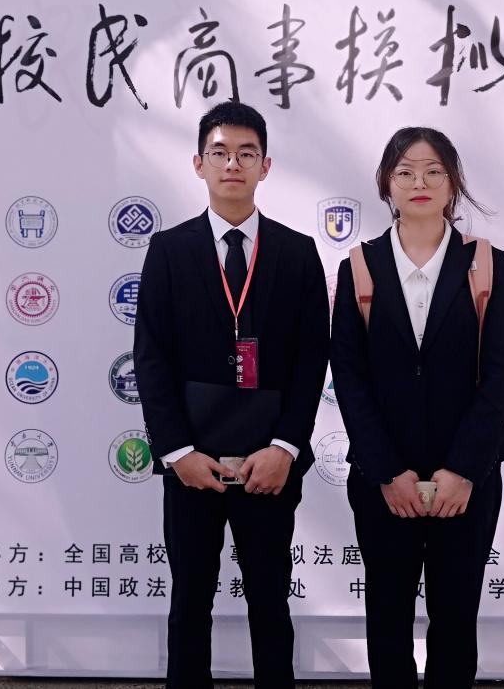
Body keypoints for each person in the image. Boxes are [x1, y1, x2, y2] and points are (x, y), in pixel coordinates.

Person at [133, 100, 330, 689]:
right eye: (219, 153)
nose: (232, 164)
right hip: (192, 463)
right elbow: (150, 358)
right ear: (199, 164)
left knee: (270, 599)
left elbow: (311, 359)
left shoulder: (296, 252)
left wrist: (285, 447)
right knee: (190, 599)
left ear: (266, 166)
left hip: (268, 462)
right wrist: (177, 453)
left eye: (247, 153)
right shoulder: (169, 250)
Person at [329, 126, 504, 689]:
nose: (420, 182)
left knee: (456, 618)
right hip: (383, 478)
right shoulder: (360, 265)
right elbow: (350, 377)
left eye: (434, 171)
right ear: (386, 183)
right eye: (406, 171)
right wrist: (387, 472)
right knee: (387, 616)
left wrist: (464, 470)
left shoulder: (486, 263)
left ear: (452, 183)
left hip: (468, 479)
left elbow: (501, 374)